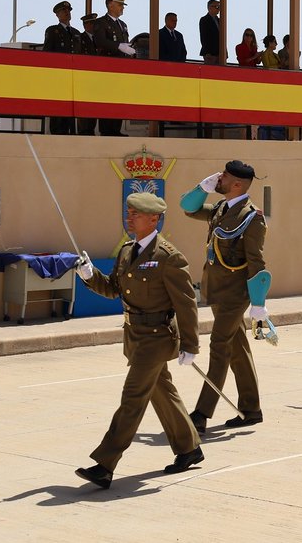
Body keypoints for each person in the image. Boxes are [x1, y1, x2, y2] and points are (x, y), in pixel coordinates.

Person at [72, 192, 202, 488]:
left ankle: (105, 464)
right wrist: (89, 274)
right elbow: (113, 289)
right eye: (128, 213)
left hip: (157, 339)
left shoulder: (168, 257)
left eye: (135, 214)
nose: (129, 218)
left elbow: (186, 303)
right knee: (162, 393)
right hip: (136, 337)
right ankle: (189, 448)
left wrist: (190, 344)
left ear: (153, 219)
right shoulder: (127, 251)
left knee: (132, 399)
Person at [183, 161, 268, 431]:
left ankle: (201, 414)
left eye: (224, 177)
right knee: (237, 349)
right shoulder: (221, 208)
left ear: (237, 185)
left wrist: (258, 304)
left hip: (235, 294)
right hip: (217, 290)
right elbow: (188, 208)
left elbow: (257, 263)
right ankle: (251, 409)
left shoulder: (251, 217)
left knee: (219, 348)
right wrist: (202, 187)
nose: (218, 179)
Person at [93, 0, 134, 136]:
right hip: (106, 67)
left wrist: (129, 50)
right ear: (111, 5)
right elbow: (100, 41)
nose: (123, 8)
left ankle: (116, 129)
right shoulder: (100, 22)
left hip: (121, 68)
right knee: (106, 98)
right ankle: (106, 130)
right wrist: (119, 46)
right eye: (120, 5)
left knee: (119, 99)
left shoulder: (122, 25)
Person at [42, 0, 82, 134]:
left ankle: (71, 131)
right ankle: (57, 132)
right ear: (57, 15)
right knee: (58, 107)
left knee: (71, 106)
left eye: (68, 10)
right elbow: (47, 53)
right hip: (58, 76)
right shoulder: (53, 31)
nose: (67, 13)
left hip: (72, 76)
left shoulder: (76, 33)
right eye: (63, 11)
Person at [77, 13, 100, 136]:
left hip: (97, 79)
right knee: (85, 107)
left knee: (95, 107)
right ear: (86, 25)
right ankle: (85, 131)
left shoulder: (99, 39)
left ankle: (91, 129)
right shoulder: (80, 38)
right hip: (85, 79)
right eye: (92, 24)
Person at [199, 0, 222, 64]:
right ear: (210, 7)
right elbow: (204, 36)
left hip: (220, 53)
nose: (219, 9)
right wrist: (207, 52)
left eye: (219, 7)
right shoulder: (204, 20)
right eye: (217, 7)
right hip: (210, 53)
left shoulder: (220, 20)